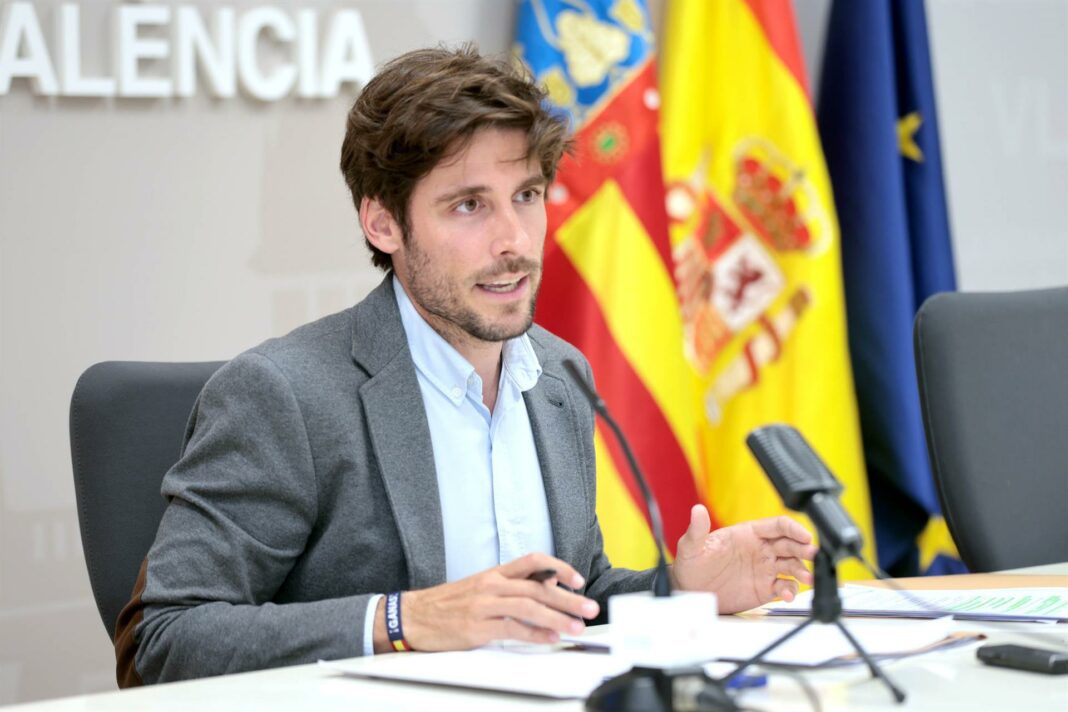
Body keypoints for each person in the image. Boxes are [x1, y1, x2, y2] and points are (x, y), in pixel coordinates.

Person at [114, 46, 816, 687]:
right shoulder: (285, 395)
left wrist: (680, 590)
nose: (515, 241)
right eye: (469, 205)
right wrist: (404, 621)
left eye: (527, 196)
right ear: (383, 223)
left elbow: (570, 596)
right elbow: (162, 641)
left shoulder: (560, 375)